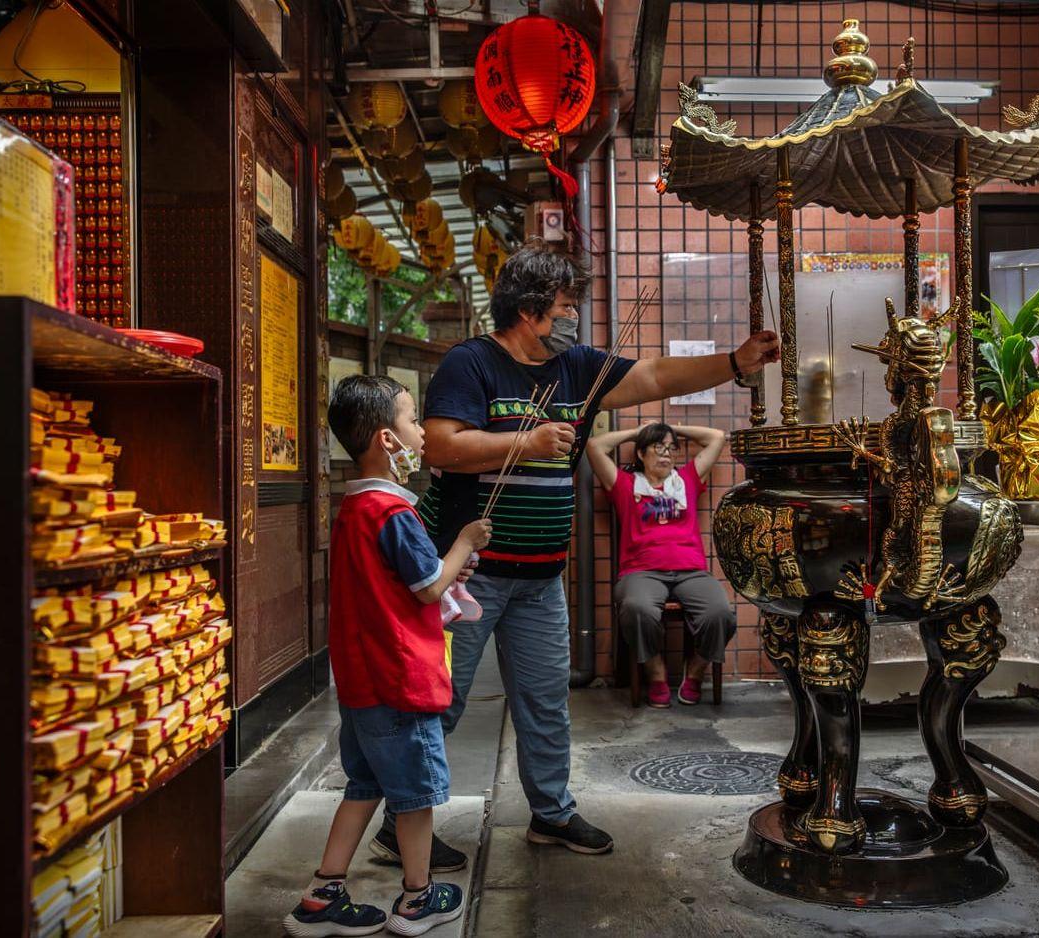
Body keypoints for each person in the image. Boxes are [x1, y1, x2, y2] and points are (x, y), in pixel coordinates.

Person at [359, 238, 777, 862]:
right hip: (468, 575)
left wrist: (736, 363)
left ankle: (551, 814)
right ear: (529, 311)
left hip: (542, 577)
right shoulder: (470, 365)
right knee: (439, 701)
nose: (573, 317)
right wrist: (525, 444)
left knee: (546, 703)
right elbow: (441, 447)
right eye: (564, 306)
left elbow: (658, 375)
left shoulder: (578, 367)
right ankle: (402, 826)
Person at [285, 375, 492, 938]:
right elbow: (427, 588)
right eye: (412, 421)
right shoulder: (394, 513)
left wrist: (446, 569)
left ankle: (323, 894)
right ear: (387, 439)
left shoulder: (354, 508)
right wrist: (463, 545)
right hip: (399, 680)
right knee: (415, 796)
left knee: (363, 786)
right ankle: (418, 898)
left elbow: (403, 584)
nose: (423, 431)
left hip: (361, 682)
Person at [586, 422, 736, 707]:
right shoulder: (625, 485)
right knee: (637, 609)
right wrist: (639, 432)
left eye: (671, 448)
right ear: (641, 454)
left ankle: (695, 672)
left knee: (720, 613)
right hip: (641, 572)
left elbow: (717, 436)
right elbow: (595, 447)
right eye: (658, 447)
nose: (666, 454)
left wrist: (673, 428)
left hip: (690, 570)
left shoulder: (688, 480)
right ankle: (656, 674)